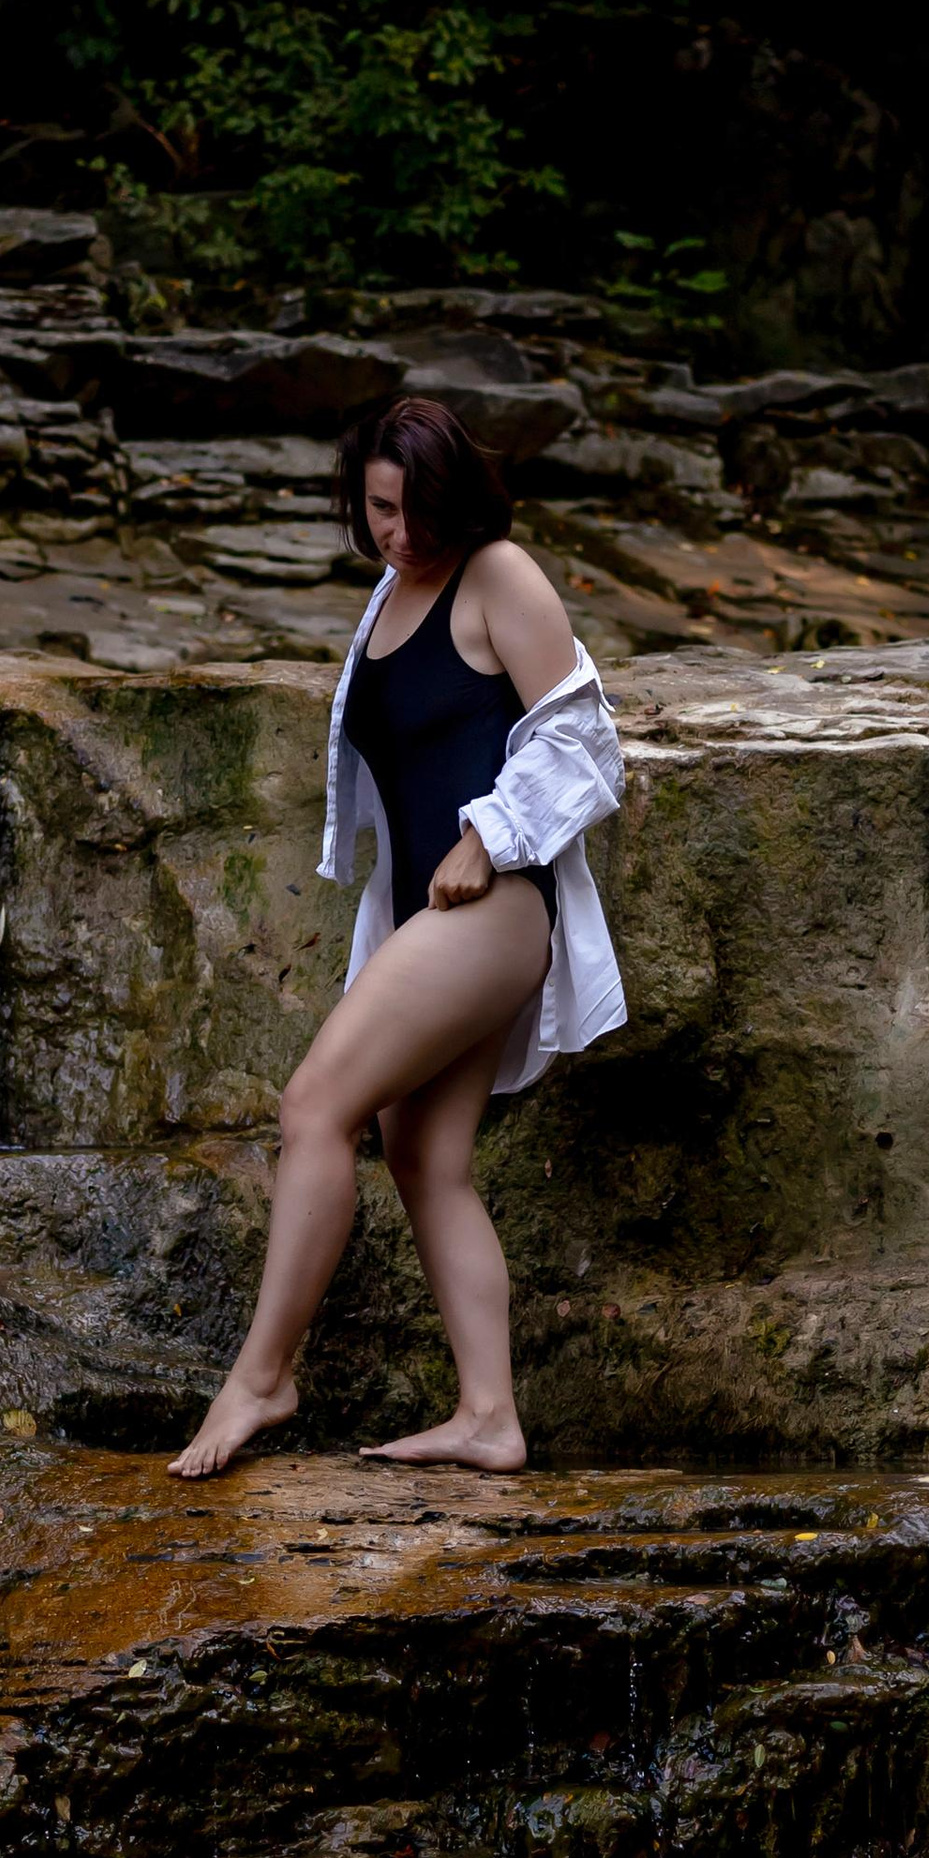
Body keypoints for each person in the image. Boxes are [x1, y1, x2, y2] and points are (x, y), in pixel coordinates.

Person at [170, 393, 627, 1478]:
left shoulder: (496, 573)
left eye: (419, 510)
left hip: (495, 909)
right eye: (380, 508)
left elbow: (584, 738)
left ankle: (263, 1379)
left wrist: (489, 835)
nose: (401, 531)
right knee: (425, 1154)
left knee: (316, 1104)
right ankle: (488, 1417)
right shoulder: (390, 591)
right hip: (431, 917)